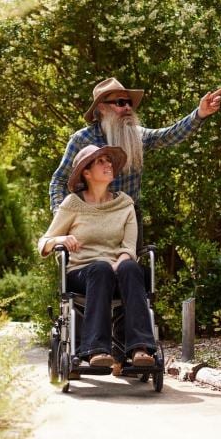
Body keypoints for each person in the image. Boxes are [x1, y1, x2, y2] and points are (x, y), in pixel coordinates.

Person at [49, 77, 221, 245]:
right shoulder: (82, 140)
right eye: (120, 103)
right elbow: (59, 181)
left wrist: (200, 114)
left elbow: (170, 135)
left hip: (128, 219)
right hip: (89, 221)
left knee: (129, 270)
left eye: (129, 103)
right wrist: (62, 217)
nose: (127, 107)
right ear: (102, 108)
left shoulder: (137, 135)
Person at [38, 144, 156, 368]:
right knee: (100, 269)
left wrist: (117, 265)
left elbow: (129, 248)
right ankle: (96, 350)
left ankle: (141, 348)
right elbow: (43, 243)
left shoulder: (125, 204)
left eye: (109, 161)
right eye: (101, 161)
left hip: (118, 271)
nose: (108, 164)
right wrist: (60, 240)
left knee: (130, 267)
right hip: (83, 273)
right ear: (86, 172)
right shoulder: (73, 204)